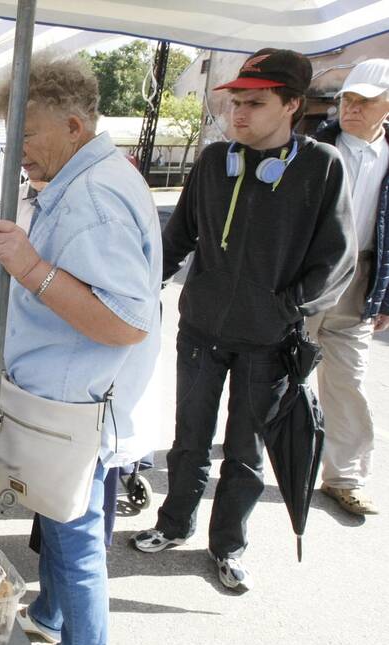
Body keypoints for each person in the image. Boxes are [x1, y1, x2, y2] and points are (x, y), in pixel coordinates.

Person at [133, 49, 357, 591]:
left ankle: (228, 545)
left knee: (245, 449)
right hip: (201, 331)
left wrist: (286, 308)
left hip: (268, 341)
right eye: (234, 102)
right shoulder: (214, 161)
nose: (238, 113)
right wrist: (140, 288)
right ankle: (173, 523)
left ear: (292, 105)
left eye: (254, 103)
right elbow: (179, 235)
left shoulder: (323, 166)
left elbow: (338, 259)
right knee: (188, 437)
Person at [0, 57, 162, 645]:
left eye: (26, 136)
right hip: (73, 398)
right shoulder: (89, 178)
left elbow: (124, 321)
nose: (18, 153)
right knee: (62, 517)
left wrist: (30, 269)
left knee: (77, 532)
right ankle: (51, 617)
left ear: (73, 124)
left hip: (80, 404)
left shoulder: (93, 196)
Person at [309, 59, 389, 515]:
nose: (352, 108)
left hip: (359, 282)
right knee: (278, 373)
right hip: (308, 278)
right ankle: (253, 453)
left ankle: (345, 477)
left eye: (365, 101)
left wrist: (385, 296)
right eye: (347, 99)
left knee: (348, 382)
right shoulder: (312, 146)